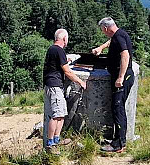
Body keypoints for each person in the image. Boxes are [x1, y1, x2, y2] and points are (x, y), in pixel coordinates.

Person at [91, 17, 134, 153]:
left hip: (123, 77)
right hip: (121, 76)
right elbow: (112, 42)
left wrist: (120, 77)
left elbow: (125, 55)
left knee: (118, 108)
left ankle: (119, 144)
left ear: (105, 28)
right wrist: (101, 47)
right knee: (118, 108)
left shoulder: (119, 36)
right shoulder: (119, 34)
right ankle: (119, 140)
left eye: (102, 30)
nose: (103, 32)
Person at [43, 28, 86, 150]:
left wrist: (67, 60)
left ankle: (56, 139)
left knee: (61, 114)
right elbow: (67, 71)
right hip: (55, 86)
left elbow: (58, 63)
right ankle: (50, 143)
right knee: (56, 115)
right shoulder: (59, 51)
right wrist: (80, 82)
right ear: (64, 38)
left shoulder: (52, 49)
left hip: (52, 85)